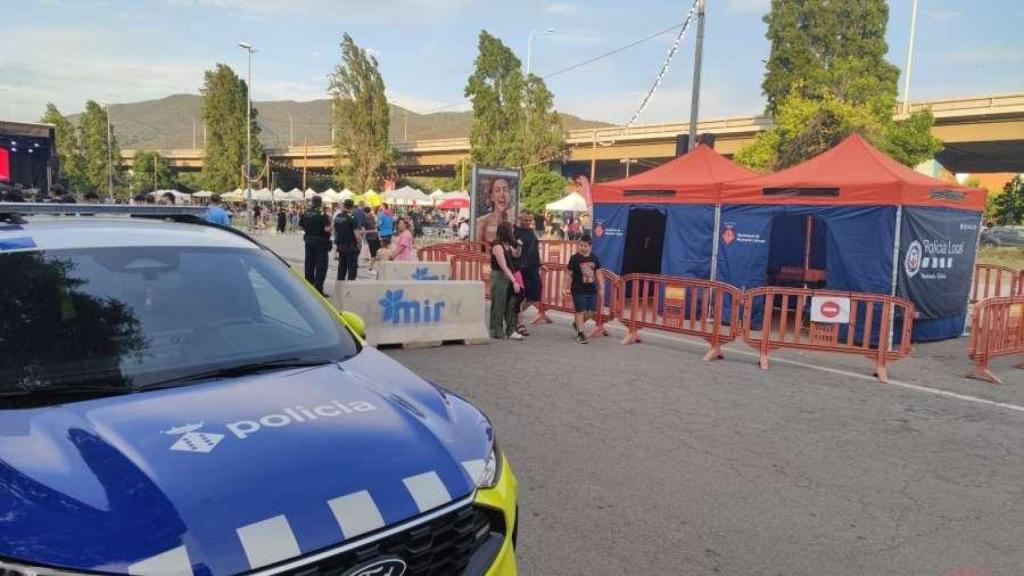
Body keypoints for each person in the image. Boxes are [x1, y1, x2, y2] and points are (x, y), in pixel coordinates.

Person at [564, 233, 602, 344]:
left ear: (590, 246)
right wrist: (564, 288)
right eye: (581, 245)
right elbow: (568, 274)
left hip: (591, 288)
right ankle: (580, 333)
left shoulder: (594, 257)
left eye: (585, 246)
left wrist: (601, 288)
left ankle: (577, 324)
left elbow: (598, 273)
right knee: (580, 311)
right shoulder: (574, 258)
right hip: (578, 288)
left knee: (590, 312)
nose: (583, 248)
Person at [489, 222, 523, 340]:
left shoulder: (507, 244)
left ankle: (510, 329)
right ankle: (496, 330)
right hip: (499, 276)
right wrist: (514, 281)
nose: (512, 233)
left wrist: (519, 246)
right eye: (511, 230)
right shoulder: (497, 246)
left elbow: (516, 255)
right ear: (506, 232)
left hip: (507, 276)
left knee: (510, 303)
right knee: (499, 303)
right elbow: (503, 266)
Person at [514, 211, 542, 334]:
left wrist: (541, 263)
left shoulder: (532, 232)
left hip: (534, 268)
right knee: (519, 296)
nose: (528, 222)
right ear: (520, 219)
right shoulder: (515, 232)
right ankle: (517, 322)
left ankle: (514, 315)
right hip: (521, 268)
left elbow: (534, 249)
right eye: (525, 220)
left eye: (530, 220)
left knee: (535, 294)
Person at [299, 195, 332, 294]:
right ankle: (318, 289)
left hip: (308, 240)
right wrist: (332, 228)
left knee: (309, 264)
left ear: (312, 202)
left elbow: (301, 226)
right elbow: (326, 229)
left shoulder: (306, 213)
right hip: (321, 242)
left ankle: (308, 287)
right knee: (321, 266)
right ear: (320, 203)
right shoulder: (322, 214)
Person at [475, 177, 512, 243]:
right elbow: (476, 248)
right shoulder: (482, 221)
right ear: (491, 196)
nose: (502, 194)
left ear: (510, 195)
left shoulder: (512, 221)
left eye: (506, 190)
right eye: (497, 190)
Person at [333, 199, 359, 281]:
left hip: (340, 245)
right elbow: (356, 234)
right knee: (352, 268)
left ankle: (340, 285)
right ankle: (350, 287)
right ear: (352, 207)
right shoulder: (352, 217)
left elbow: (334, 229)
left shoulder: (338, 216)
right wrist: (359, 243)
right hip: (350, 246)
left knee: (341, 267)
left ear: (344, 205)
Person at [362, 206, 381, 272]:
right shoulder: (364, 219)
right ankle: (371, 267)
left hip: (375, 237)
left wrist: (376, 229)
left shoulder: (372, 217)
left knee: (377, 252)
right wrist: (372, 231)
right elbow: (363, 231)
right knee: (373, 253)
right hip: (370, 238)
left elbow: (376, 226)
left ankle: (371, 266)